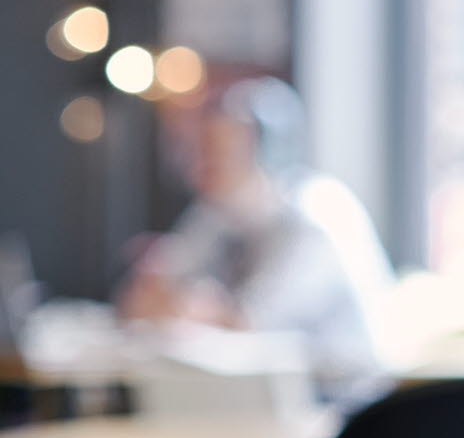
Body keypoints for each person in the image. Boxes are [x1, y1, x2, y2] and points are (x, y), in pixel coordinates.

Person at [117, 75, 393, 395]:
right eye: (201, 149)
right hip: (265, 396)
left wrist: (191, 306)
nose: (203, 165)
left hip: (341, 403)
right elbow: (146, 297)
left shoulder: (315, 215)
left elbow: (248, 321)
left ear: (269, 152)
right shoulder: (216, 213)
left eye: (222, 151)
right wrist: (170, 297)